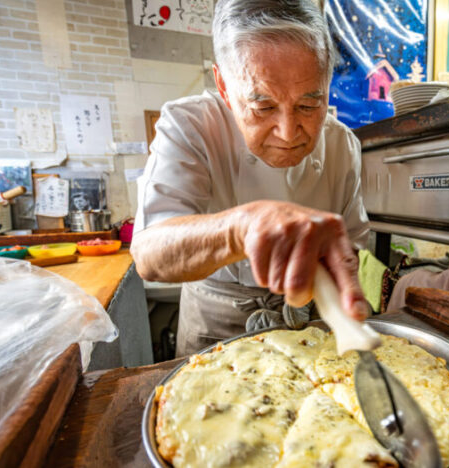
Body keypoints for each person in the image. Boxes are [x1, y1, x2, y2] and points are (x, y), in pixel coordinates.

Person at [131, 0, 370, 357]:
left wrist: (339, 279)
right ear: (224, 87)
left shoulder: (342, 144)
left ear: (327, 83)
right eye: (263, 107)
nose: (289, 132)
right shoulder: (191, 126)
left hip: (313, 330)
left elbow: (351, 245)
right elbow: (150, 255)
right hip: (215, 328)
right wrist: (242, 228)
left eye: (309, 105)